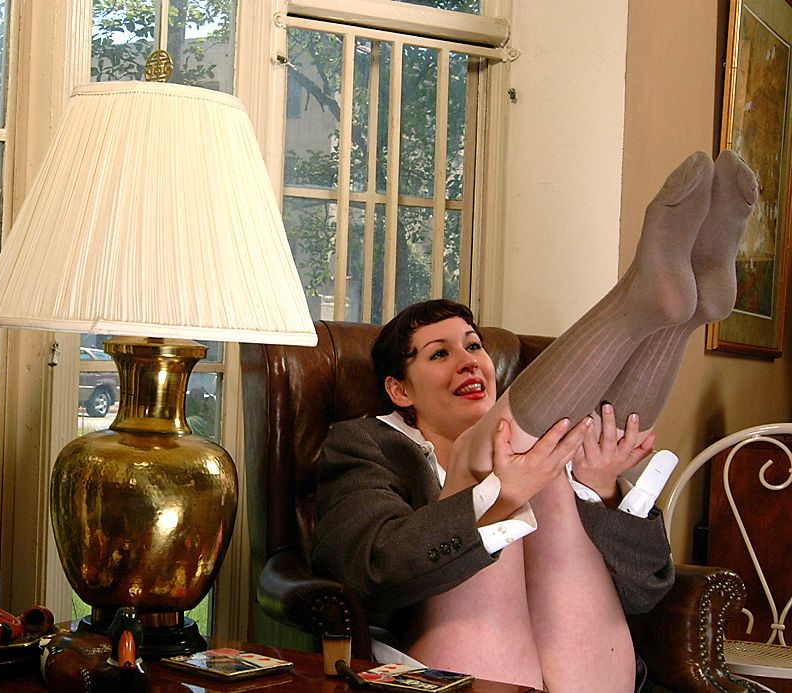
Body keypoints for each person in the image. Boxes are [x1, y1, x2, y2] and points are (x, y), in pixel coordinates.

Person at [311, 150, 758, 692]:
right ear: (399, 390)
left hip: (584, 673)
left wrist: (599, 490)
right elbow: (368, 567)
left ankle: (682, 317)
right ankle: (653, 304)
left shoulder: (553, 457)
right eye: (439, 353)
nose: (468, 362)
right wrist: (497, 496)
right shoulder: (364, 443)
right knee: (499, 463)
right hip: (445, 666)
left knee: (553, 469)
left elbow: (646, 591)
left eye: (473, 346)